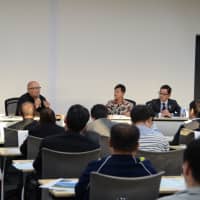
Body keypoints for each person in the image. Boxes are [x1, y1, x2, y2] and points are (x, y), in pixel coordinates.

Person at [75, 123, 157, 200]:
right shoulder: (147, 168)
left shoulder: (95, 167)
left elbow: (79, 192)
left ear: (110, 143)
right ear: (137, 146)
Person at [33, 104, 100, 177]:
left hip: (50, 184)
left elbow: (37, 166)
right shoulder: (94, 147)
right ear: (85, 126)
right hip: (80, 184)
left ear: (65, 120)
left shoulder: (47, 142)